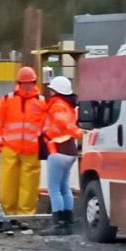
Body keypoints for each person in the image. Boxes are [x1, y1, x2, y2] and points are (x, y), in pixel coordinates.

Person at [0, 66, 46, 216]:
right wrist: (0, 144)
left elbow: (45, 126)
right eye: (25, 83)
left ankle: (25, 217)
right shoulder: (7, 100)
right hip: (10, 148)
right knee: (8, 185)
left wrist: (41, 144)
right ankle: (8, 215)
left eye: (31, 82)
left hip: (31, 150)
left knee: (29, 186)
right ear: (19, 83)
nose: (28, 86)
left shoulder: (41, 102)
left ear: (35, 82)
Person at [39, 76, 83, 236]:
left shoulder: (57, 105)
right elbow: (71, 126)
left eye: (51, 89)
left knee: (54, 188)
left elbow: (61, 123)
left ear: (55, 91)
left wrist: (47, 132)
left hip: (58, 150)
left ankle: (58, 224)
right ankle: (67, 223)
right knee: (64, 187)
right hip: (70, 150)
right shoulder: (70, 106)